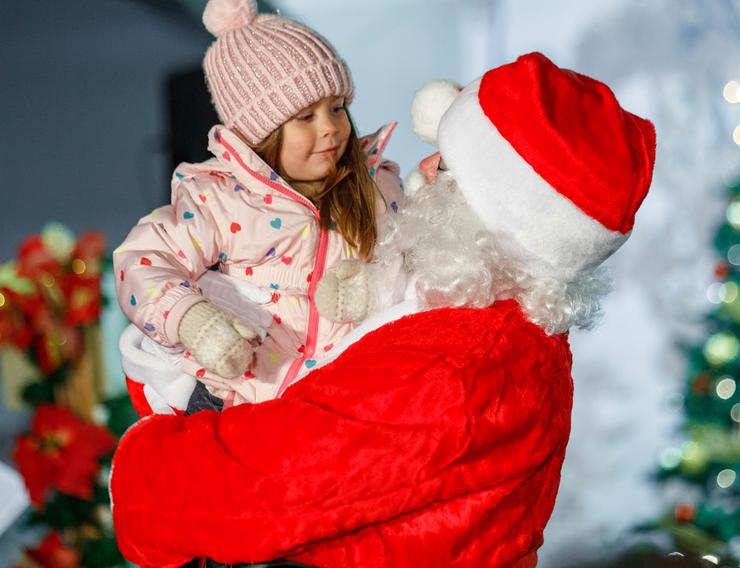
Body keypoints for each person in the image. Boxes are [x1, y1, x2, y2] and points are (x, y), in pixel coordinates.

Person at [110, 52, 656, 567]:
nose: (421, 165)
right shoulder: (477, 317)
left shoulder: (463, 360)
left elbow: (269, 487)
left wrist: (142, 468)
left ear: (494, 211)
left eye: (446, 168)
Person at [113, 0, 404, 415]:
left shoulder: (373, 185)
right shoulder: (221, 199)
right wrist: (192, 319)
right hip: (241, 398)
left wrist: (371, 285)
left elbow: (411, 260)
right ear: (260, 133)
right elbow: (139, 259)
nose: (330, 128)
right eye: (305, 116)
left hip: (342, 397)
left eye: (337, 107)